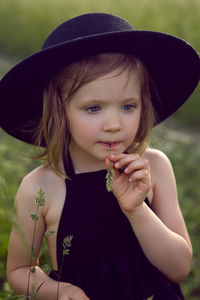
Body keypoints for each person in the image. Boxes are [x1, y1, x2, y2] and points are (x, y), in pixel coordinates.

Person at [0, 13, 199, 300]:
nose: (114, 124)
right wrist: (59, 291)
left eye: (128, 106)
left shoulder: (154, 167)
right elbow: (20, 270)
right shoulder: (40, 186)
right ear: (60, 111)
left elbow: (179, 268)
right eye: (94, 108)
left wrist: (137, 211)